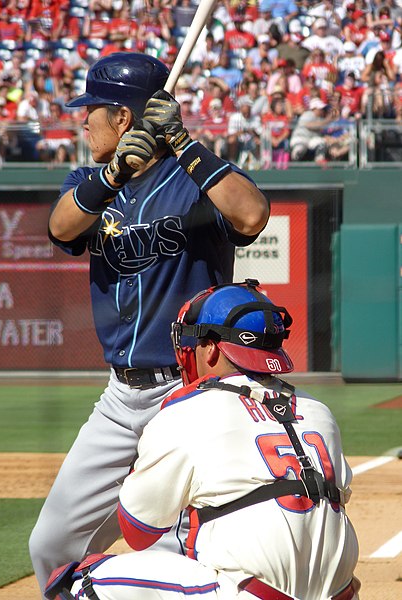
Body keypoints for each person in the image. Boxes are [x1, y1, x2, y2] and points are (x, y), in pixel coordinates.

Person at [29, 52, 269, 598]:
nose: (82, 120)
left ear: (123, 117)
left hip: (191, 393)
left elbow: (252, 214)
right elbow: (61, 226)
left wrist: (183, 145)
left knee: (172, 552)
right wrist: (113, 173)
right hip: (120, 397)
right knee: (50, 542)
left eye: (92, 110)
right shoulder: (90, 180)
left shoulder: (195, 181)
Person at [45, 280, 360, 600]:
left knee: (77, 581)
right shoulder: (319, 410)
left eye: (191, 341)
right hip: (339, 593)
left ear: (210, 348)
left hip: (251, 594)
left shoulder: (188, 410)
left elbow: (138, 532)